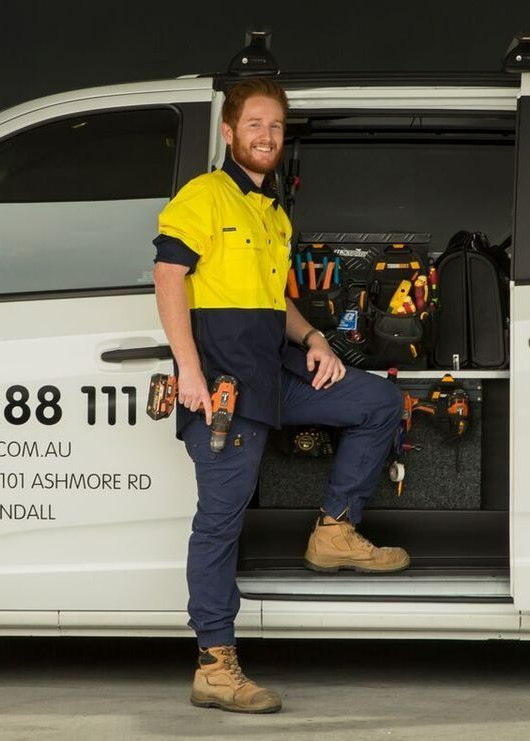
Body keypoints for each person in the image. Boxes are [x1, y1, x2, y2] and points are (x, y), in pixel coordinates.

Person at [151, 78, 408, 714]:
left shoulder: (272, 212)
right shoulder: (204, 197)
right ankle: (214, 665)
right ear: (229, 132)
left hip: (274, 372)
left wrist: (316, 337)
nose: (267, 137)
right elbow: (168, 278)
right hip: (222, 390)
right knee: (220, 524)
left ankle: (333, 531)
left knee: (377, 403)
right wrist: (189, 372)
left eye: (276, 127)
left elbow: (275, 300)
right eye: (256, 125)